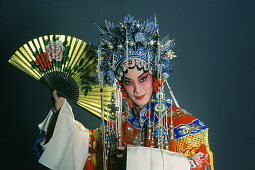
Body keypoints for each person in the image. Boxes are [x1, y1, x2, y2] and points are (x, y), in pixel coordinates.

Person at [35, 15, 214, 170]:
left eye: (143, 79)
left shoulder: (183, 124)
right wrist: (60, 111)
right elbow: (81, 151)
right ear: (121, 85)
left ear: (155, 78)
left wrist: (134, 158)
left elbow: (199, 164)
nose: (137, 89)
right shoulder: (117, 126)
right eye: (129, 82)